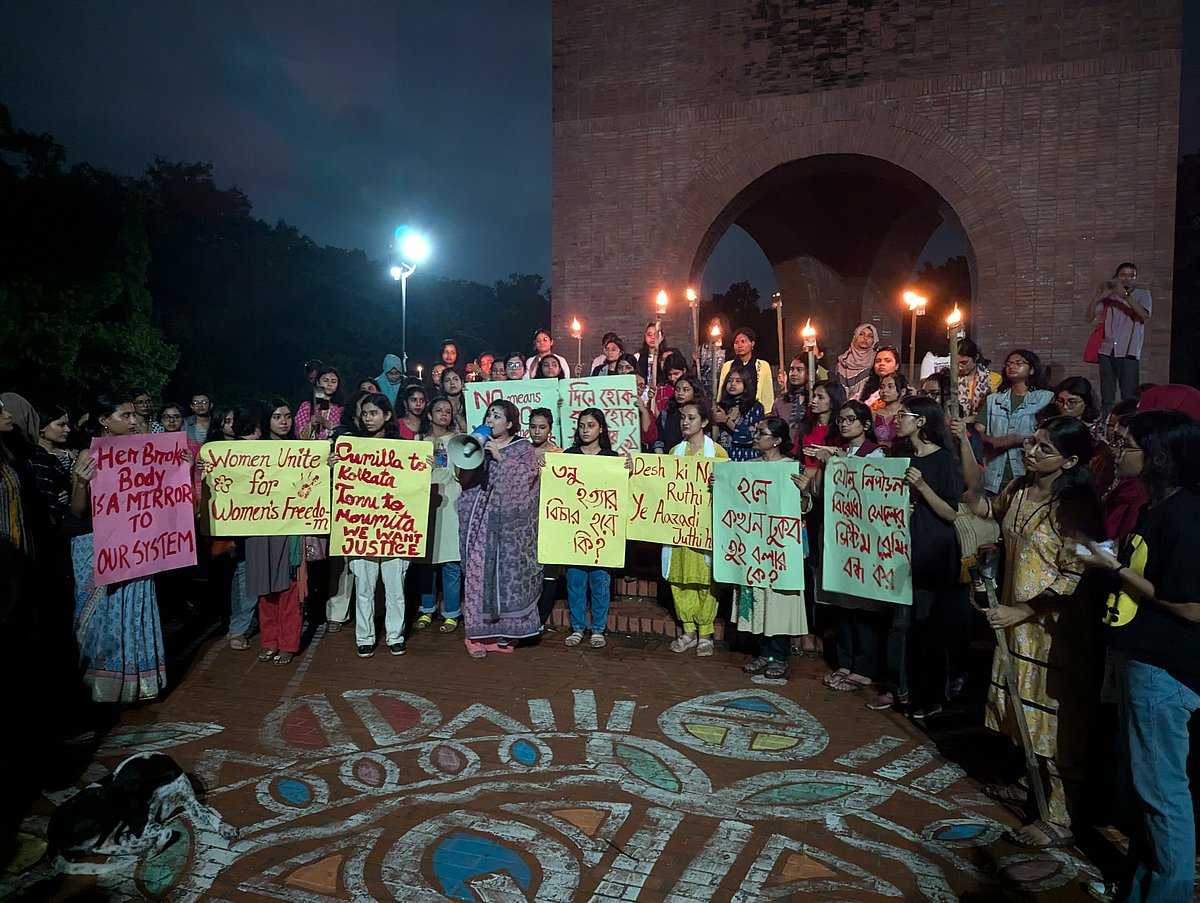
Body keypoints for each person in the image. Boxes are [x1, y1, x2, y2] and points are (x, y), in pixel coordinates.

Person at [963, 416, 1103, 847]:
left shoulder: (1075, 508)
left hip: (1053, 630)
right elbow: (983, 507)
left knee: (1052, 719)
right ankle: (1032, 784)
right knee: (1023, 711)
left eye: (1045, 449)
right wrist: (962, 448)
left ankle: (1060, 816)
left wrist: (1022, 610)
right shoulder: (1020, 489)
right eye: (1033, 444)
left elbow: (1074, 575)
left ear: (1070, 461)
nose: (1032, 453)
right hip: (1015, 622)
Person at [1078, 410, 1200, 902]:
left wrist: (1115, 568)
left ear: (1158, 456)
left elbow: (1190, 606)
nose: (1117, 451)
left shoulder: (1186, 516)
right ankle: (1141, 887)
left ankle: (1169, 894)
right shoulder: (1155, 506)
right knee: (1148, 791)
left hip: (1163, 668)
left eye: (1126, 444)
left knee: (1163, 793)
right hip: (1141, 659)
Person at [868, 396, 963, 717]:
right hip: (900, 551)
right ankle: (898, 688)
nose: (896, 420)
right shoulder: (900, 456)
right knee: (898, 623)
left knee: (926, 627)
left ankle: (930, 695)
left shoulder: (943, 461)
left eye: (903, 415)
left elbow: (950, 513)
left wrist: (922, 488)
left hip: (931, 551)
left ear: (921, 421)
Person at [69, 393, 167, 702]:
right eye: (125, 415)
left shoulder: (144, 452)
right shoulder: (89, 455)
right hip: (100, 547)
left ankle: (136, 683)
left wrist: (181, 467)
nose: (133, 420)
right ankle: (100, 686)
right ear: (104, 420)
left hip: (136, 545)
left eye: (134, 415)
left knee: (135, 611)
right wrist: (81, 482)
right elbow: (78, 511)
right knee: (101, 615)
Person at [806, 401, 885, 692]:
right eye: (841, 419)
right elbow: (818, 491)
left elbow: (872, 491)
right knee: (839, 601)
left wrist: (843, 462)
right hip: (837, 534)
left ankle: (863, 668)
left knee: (862, 605)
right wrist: (823, 466)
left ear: (866, 424)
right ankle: (844, 662)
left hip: (862, 538)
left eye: (851, 419)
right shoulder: (833, 451)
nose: (844, 424)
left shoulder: (875, 454)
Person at [456, 400, 544, 657]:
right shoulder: (477, 443)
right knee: (477, 574)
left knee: (507, 577)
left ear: (509, 423)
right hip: (480, 520)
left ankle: (503, 633)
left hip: (509, 526)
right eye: (489, 415)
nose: (490, 420)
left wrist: (499, 457)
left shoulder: (522, 448)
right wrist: (473, 454)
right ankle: (475, 636)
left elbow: (529, 479)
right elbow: (464, 481)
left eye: (497, 416)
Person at [334, 393, 410, 658]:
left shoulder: (403, 448)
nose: (368, 418)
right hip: (362, 528)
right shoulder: (351, 447)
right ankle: (364, 637)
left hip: (394, 528)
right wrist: (334, 466)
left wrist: (426, 467)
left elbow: (413, 485)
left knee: (395, 588)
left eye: (374, 413)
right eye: (365, 413)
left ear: (387, 416)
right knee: (364, 588)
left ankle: (395, 636)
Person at [737, 417, 807, 680]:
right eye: (756, 432)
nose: (755, 436)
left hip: (781, 546)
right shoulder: (749, 467)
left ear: (777, 440)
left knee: (779, 600)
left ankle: (779, 656)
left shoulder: (791, 468)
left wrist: (805, 492)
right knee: (758, 599)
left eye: (761, 433)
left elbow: (803, 510)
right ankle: (762, 653)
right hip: (755, 545)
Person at [663, 399, 729, 656]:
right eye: (683, 417)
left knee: (704, 579)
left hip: (704, 526)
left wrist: (719, 482)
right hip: (680, 527)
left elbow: (730, 488)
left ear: (704, 422)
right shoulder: (674, 453)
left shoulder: (718, 454)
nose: (685, 422)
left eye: (691, 418)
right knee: (679, 577)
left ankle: (705, 632)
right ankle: (688, 629)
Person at [249, 400, 305, 666]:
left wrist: (327, 463)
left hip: (291, 528)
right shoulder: (251, 451)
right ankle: (269, 641)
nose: (284, 421)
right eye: (277, 416)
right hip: (260, 528)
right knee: (265, 588)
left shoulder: (302, 450)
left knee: (290, 589)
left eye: (288, 416)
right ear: (266, 420)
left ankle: (288, 644)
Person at [562, 409, 618, 648]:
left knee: (600, 582)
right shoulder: (569, 455)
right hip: (574, 529)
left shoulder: (611, 458)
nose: (585, 430)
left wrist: (627, 470)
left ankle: (597, 629)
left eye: (591, 425)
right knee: (575, 581)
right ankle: (577, 627)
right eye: (582, 425)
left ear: (601, 428)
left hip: (601, 532)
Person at [416, 397, 463, 633]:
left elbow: (463, 472)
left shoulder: (457, 440)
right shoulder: (418, 441)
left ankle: (452, 613)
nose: (443, 414)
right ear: (429, 415)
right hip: (425, 505)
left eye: (447, 411)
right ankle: (427, 609)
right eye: (438, 410)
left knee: (451, 561)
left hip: (451, 503)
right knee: (426, 561)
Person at [976, 350, 1054, 495]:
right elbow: (978, 430)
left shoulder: (1045, 398)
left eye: (1019, 363)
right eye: (1009, 364)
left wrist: (1016, 440)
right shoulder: (993, 400)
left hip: (1027, 469)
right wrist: (991, 440)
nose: (1012, 367)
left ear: (1032, 370)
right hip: (994, 472)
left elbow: (1051, 435)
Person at [1088, 262, 1152, 417]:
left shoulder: (1143, 294)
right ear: (1116, 277)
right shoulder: (1109, 297)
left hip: (1129, 350)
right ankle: (1105, 423)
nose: (1127, 278)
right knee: (1107, 396)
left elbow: (1144, 316)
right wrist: (1099, 295)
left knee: (1129, 395)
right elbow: (1089, 317)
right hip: (1106, 349)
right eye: (1123, 275)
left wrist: (1126, 296)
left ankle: (1127, 423)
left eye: (1132, 275)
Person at [528, 406, 562, 629]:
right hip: (525, 518)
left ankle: (540, 618)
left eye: (542, 427)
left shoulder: (560, 454)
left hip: (550, 519)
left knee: (549, 570)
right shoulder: (521, 451)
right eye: (533, 427)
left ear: (550, 429)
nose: (537, 431)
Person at [713, 361, 764, 461]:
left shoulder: (754, 407)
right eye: (729, 381)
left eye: (738, 381)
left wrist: (726, 421)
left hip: (746, 458)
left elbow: (752, 437)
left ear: (746, 384)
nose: (733, 384)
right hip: (722, 457)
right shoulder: (721, 406)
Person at [716, 327, 775, 410]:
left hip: (755, 410)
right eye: (736, 343)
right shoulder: (727, 366)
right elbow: (722, 391)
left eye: (743, 342)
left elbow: (767, 393)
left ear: (752, 343)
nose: (739, 345)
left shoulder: (763, 365)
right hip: (731, 409)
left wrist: (766, 412)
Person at [652, 374, 703, 455]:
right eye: (677, 390)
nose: (680, 393)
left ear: (695, 392)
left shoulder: (701, 414)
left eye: (685, 390)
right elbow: (658, 442)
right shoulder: (665, 415)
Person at [955, 338, 998, 422]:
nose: (960, 367)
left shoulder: (993, 379)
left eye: (964, 363)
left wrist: (976, 418)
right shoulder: (951, 379)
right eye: (956, 363)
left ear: (976, 357)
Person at [296, 366, 344, 440]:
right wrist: (311, 425)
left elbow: (346, 432)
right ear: (318, 382)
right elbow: (297, 432)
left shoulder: (341, 408)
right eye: (326, 380)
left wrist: (326, 423)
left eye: (333, 381)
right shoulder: (307, 406)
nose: (329, 384)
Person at [770, 356, 809, 449]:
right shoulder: (781, 402)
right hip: (785, 450)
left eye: (799, 370)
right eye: (792, 369)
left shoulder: (816, 400)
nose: (794, 373)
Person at [835, 323, 880, 399]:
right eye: (861, 334)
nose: (865, 338)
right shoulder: (843, 361)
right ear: (855, 337)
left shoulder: (877, 359)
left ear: (874, 340)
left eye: (870, 336)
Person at [872, 371, 909, 453]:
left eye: (890, 387)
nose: (884, 391)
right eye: (882, 387)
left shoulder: (906, 415)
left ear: (902, 391)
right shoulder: (874, 415)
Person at [439, 368, 469, 433]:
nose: (452, 383)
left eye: (455, 379)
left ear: (462, 383)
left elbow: (470, 431)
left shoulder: (470, 403)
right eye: (447, 380)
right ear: (443, 385)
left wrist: (457, 415)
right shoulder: (438, 405)